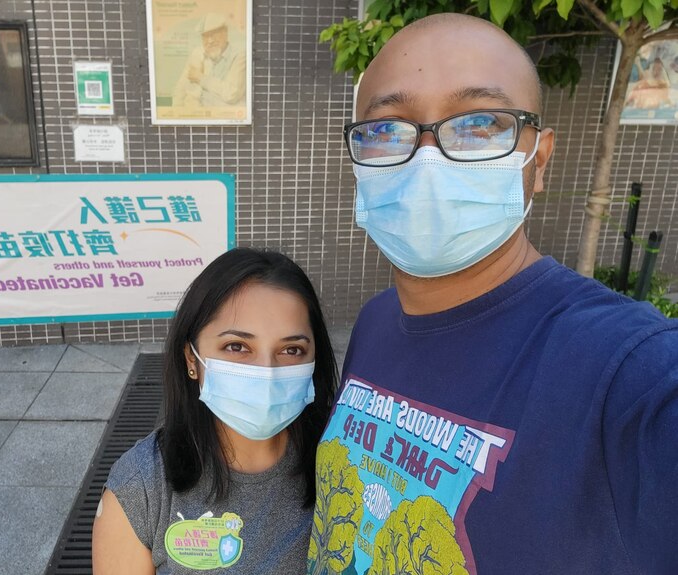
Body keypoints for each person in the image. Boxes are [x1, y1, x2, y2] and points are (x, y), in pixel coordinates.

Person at [307, 13, 678, 575]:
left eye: (478, 124)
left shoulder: (629, 371)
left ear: (540, 159)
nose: (427, 156)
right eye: (387, 129)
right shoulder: (377, 321)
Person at [92, 247, 338, 574]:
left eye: (291, 350)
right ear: (192, 359)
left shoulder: (341, 464)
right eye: (237, 347)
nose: (266, 372)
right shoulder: (142, 486)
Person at [172, 13, 247, 108]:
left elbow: (232, 94)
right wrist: (176, 113)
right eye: (205, 36)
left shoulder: (240, 56)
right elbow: (181, 88)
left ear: (225, 33)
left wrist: (201, 78)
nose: (210, 41)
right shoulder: (198, 53)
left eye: (214, 34)